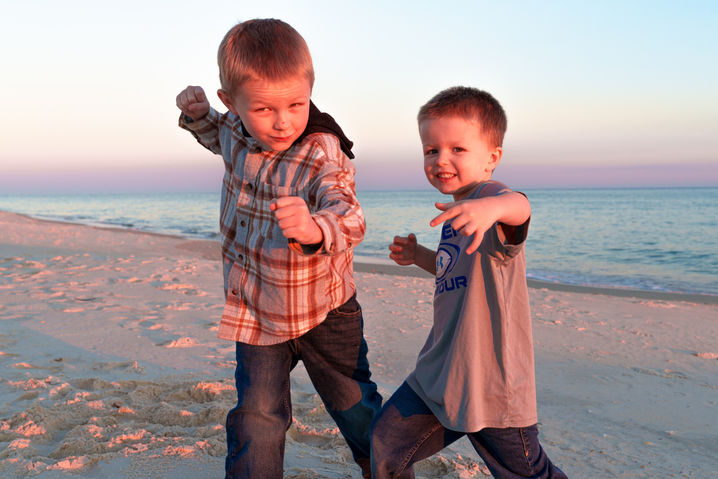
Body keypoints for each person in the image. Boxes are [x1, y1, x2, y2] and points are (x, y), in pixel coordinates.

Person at [175, 18, 381, 479]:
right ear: (234, 103)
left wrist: (313, 229)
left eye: (296, 104)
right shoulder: (236, 131)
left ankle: (388, 471)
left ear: (311, 90)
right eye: (265, 109)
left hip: (325, 311)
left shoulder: (320, 151)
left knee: (354, 407)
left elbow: (350, 215)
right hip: (258, 310)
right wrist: (198, 115)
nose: (283, 120)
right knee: (257, 416)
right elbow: (219, 136)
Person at [370, 86, 567, 478]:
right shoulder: (461, 210)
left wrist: (492, 207)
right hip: (439, 372)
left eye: (458, 149)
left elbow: (521, 206)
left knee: (527, 472)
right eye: (431, 149)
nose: (441, 159)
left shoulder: (489, 199)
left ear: (492, 157)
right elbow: (455, 269)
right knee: (387, 445)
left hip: (489, 382)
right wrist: (419, 257)